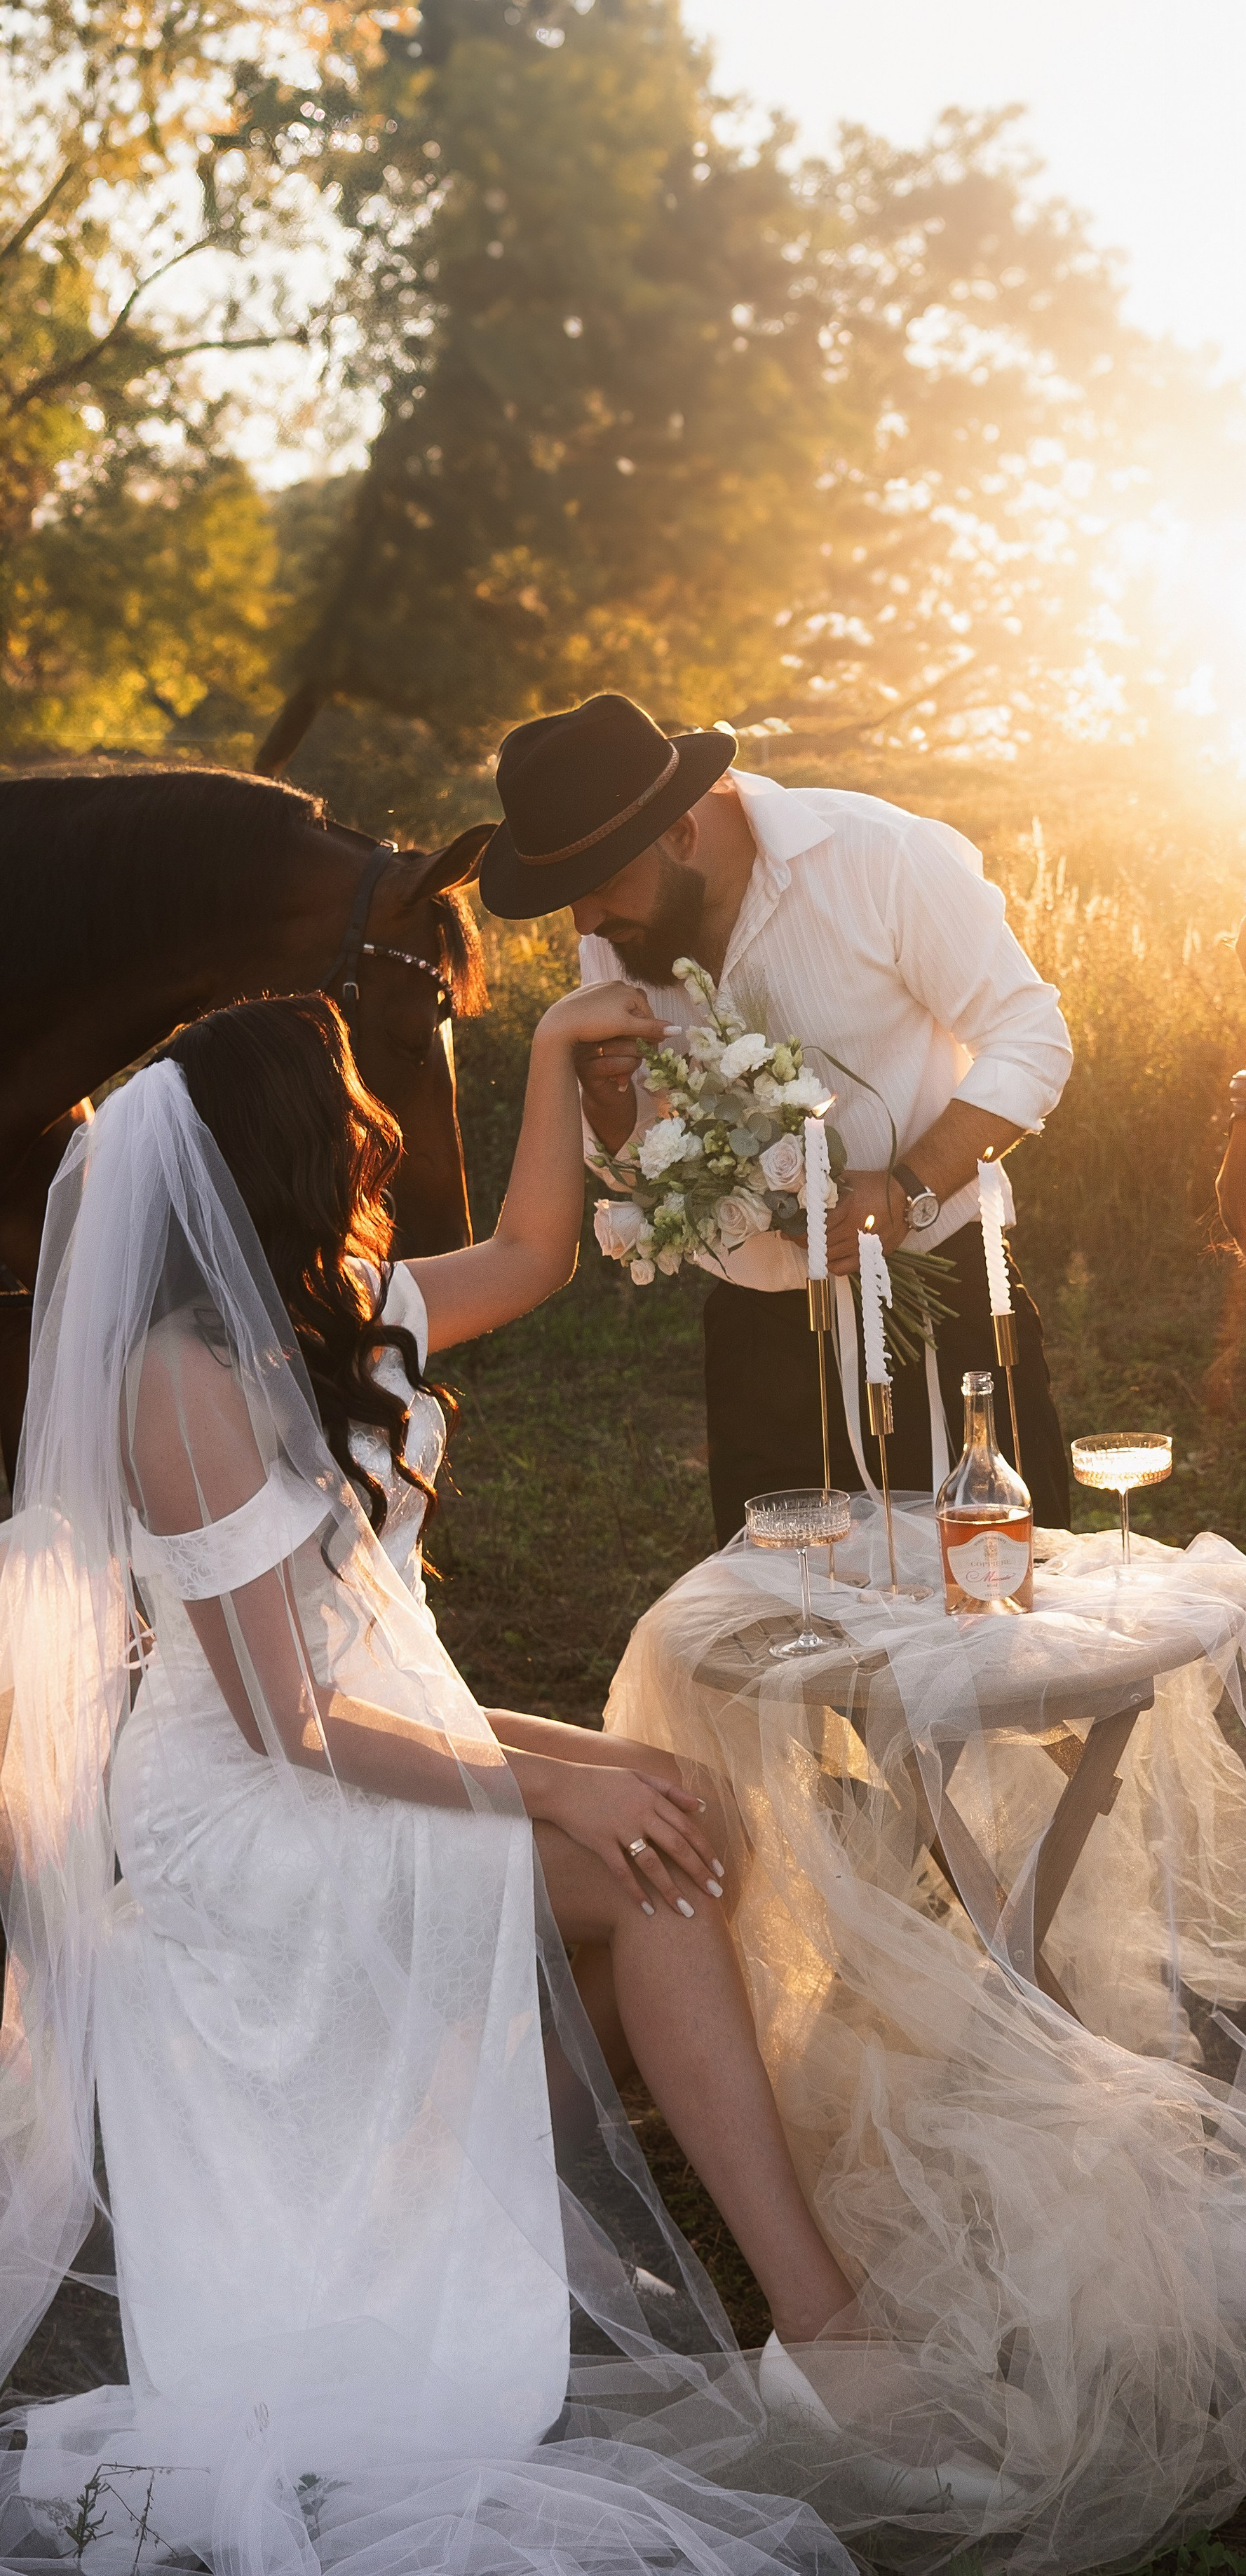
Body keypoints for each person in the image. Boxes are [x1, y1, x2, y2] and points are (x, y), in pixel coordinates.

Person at [0, 989, 896, 2573]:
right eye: (342, 1101)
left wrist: (555, 1049)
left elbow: (539, 1252)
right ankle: (826, 2330)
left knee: (670, 1799)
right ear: (279, 1142)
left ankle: (507, 2155)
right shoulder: (181, 1384)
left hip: (353, 1744)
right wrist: (554, 1791)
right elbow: (293, 1722)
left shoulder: (333, 1304)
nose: (372, 1127)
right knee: (643, 1859)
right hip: (249, 1812)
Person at [476, 691, 1075, 1543]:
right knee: (791, 1631)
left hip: (939, 1313)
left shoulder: (881, 857)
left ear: (682, 831)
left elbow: (1031, 1040)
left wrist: (905, 1189)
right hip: (756, 1336)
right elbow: (648, 1161)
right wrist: (614, 1118)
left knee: (987, 1608)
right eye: (570, 900)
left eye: (601, 886)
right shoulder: (619, 929)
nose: (586, 924)